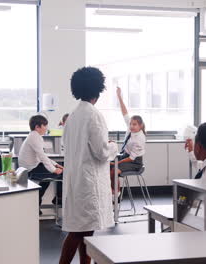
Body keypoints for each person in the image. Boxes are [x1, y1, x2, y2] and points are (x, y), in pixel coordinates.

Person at [59, 67, 118, 264]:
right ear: (97, 90)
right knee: (80, 232)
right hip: (87, 183)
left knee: (84, 232)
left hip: (75, 180)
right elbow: (101, 152)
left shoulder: (73, 116)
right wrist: (113, 146)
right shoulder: (94, 115)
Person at [18, 115, 64, 212]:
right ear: (37, 127)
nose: (46, 128)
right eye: (45, 126)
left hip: (32, 167)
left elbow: (42, 155)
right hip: (30, 170)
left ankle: (38, 202)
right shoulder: (34, 137)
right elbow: (42, 156)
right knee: (62, 173)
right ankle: (58, 199)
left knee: (48, 178)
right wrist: (54, 169)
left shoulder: (34, 136)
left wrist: (55, 164)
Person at [110, 87, 146, 193]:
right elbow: (124, 113)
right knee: (107, 166)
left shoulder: (140, 138)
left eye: (134, 124)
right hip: (125, 156)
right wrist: (119, 97)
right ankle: (114, 192)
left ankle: (115, 193)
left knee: (113, 169)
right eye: (130, 124)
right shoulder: (130, 129)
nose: (131, 126)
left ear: (140, 125)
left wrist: (117, 162)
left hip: (134, 162)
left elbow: (131, 158)